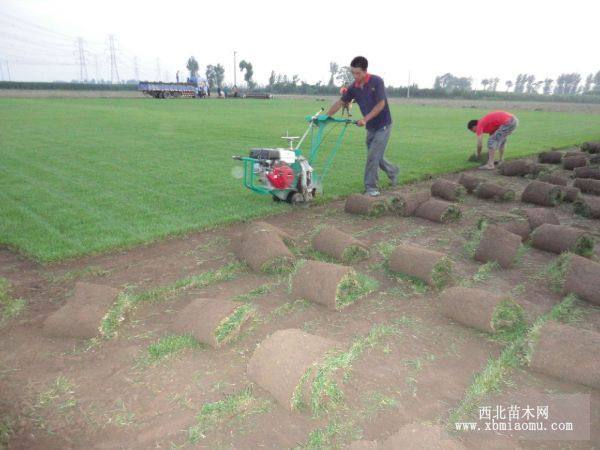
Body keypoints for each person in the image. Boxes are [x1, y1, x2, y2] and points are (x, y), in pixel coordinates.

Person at [326, 56, 399, 196]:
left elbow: (381, 104)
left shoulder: (376, 82)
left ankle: (371, 188)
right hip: (370, 127)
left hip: (383, 125)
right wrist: (326, 115)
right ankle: (392, 171)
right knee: (376, 156)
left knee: (373, 156)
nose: (355, 76)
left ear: (365, 71)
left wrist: (365, 119)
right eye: (353, 73)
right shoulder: (353, 88)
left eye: (358, 73)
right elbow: (341, 102)